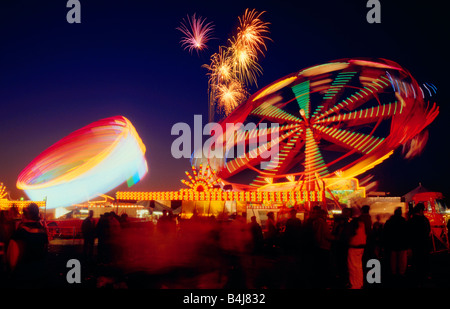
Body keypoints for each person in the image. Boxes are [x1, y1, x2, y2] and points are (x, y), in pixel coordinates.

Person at [6, 203, 49, 287]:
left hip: (22, 277)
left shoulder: (19, 234)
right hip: (39, 276)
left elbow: (12, 260)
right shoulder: (43, 234)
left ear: (24, 216)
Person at [383, 207, 409, 283]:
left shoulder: (389, 222)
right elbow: (407, 233)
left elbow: (386, 233)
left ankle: (393, 273)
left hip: (392, 243)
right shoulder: (404, 221)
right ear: (400, 213)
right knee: (402, 260)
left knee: (393, 259)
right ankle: (401, 273)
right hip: (402, 243)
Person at [408, 203, 432, 286]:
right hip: (424, 244)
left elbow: (409, 233)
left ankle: (416, 276)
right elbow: (428, 231)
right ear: (421, 210)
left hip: (415, 244)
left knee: (416, 260)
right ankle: (425, 275)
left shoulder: (411, 220)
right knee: (424, 260)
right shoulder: (425, 220)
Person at [347, 217, 366, 289]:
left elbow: (349, 235)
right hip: (361, 247)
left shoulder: (353, 225)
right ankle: (359, 283)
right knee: (358, 267)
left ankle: (354, 285)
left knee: (353, 267)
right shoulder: (362, 225)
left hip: (353, 247)